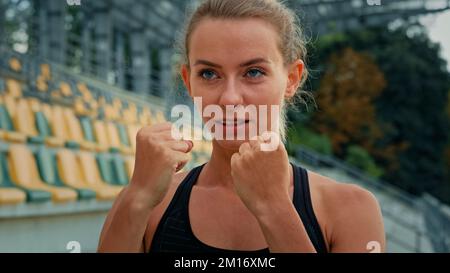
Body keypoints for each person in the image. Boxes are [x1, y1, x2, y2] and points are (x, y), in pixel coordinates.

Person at [97, 0, 385, 253]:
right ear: (188, 81)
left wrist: (274, 208)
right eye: (209, 73)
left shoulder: (351, 210)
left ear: (292, 78)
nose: (230, 98)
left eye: (254, 72)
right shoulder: (148, 202)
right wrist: (138, 199)